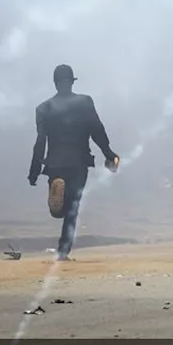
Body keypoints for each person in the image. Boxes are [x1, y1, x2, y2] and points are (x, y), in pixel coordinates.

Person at [28, 64, 119, 261]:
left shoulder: (43, 108)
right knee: (73, 207)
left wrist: (35, 169)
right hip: (79, 161)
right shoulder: (85, 102)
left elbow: (40, 140)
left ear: (55, 83)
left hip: (54, 163)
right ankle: (63, 250)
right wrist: (108, 153)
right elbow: (97, 130)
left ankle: (57, 200)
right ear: (71, 82)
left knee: (58, 211)